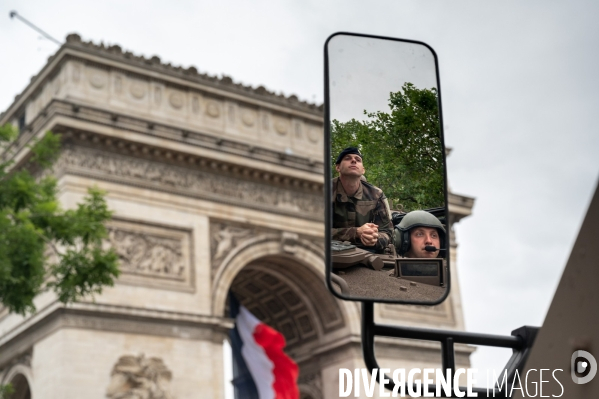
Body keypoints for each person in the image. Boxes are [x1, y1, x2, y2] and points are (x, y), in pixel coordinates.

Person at [332, 147, 392, 253]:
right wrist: (356, 232)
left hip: (367, 253)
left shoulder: (376, 195)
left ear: (363, 170)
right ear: (338, 167)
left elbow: (388, 232)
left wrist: (374, 238)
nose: (354, 160)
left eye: (358, 159)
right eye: (347, 158)